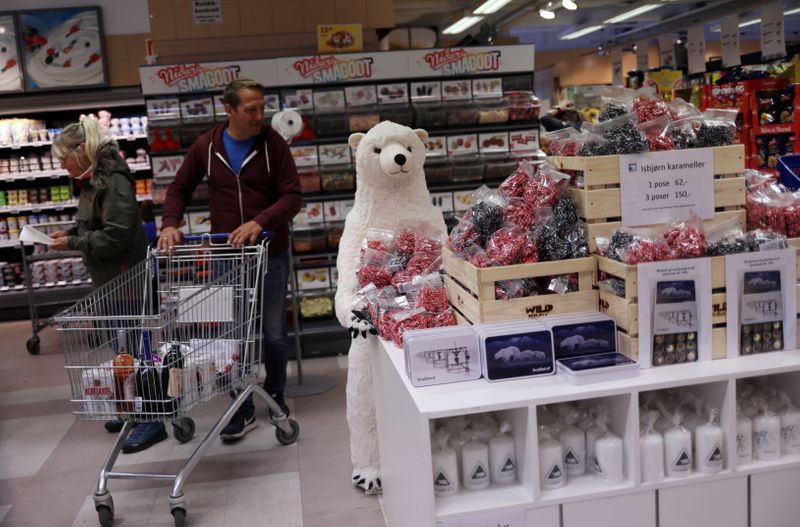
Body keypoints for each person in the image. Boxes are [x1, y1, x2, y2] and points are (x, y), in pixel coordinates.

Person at [158, 78, 302, 441]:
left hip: (270, 252)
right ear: (230, 110)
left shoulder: (273, 145)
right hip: (228, 256)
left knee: (272, 330)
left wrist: (261, 220)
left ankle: (277, 394)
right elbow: (179, 189)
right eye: (250, 109)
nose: (259, 116)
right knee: (234, 334)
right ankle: (243, 406)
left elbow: (292, 196)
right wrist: (170, 224)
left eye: (261, 108)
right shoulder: (207, 146)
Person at [50, 118, 166, 454]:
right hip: (111, 281)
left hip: (127, 280)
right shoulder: (89, 183)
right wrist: (68, 236)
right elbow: (93, 226)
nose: (60, 165)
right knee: (124, 349)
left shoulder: (112, 182)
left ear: (81, 152)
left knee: (137, 348)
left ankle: (154, 417)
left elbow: (115, 235)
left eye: (62, 158)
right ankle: (133, 406)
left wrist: (74, 242)